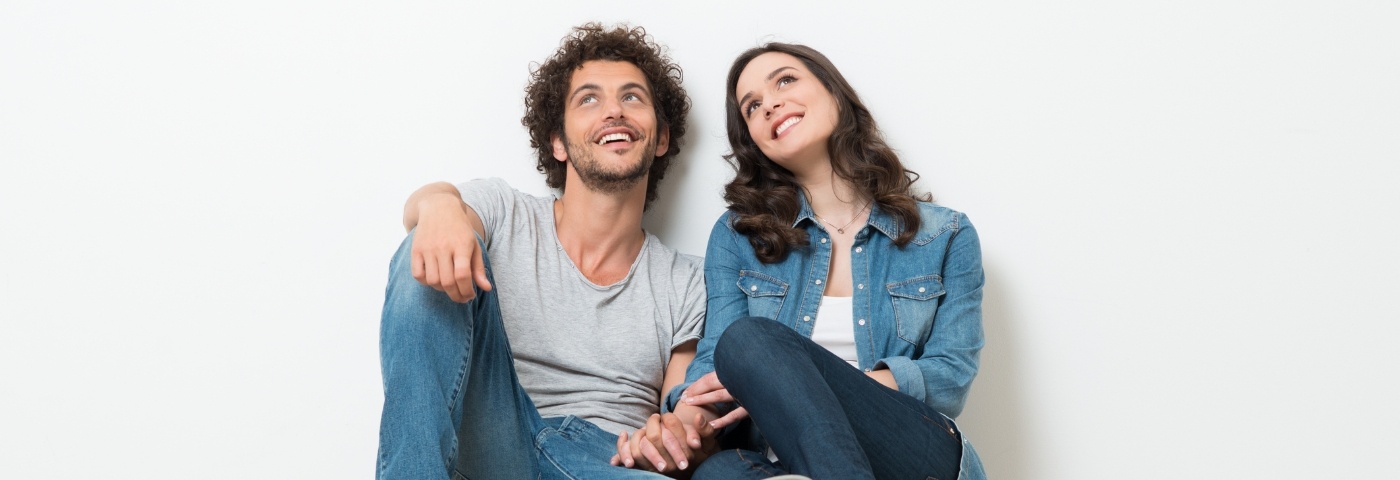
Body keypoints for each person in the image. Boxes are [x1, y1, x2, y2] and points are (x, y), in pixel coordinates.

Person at [623, 43, 989, 480]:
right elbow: (714, 369)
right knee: (716, 470)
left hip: (915, 454)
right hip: (780, 461)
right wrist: (680, 426)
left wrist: (800, 385)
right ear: (753, 139)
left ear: (835, 93)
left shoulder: (945, 235)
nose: (770, 104)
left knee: (750, 342)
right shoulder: (738, 237)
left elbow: (950, 378)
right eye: (752, 106)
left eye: (785, 80)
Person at [376, 23, 710, 480]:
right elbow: (429, 210)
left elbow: (684, 409)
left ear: (662, 139)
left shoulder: (687, 281)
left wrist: (672, 437)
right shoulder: (505, 211)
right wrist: (437, 204)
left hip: (604, 459)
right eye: (589, 99)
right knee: (431, 247)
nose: (614, 110)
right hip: (496, 439)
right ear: (558, 143)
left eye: (633, 97)